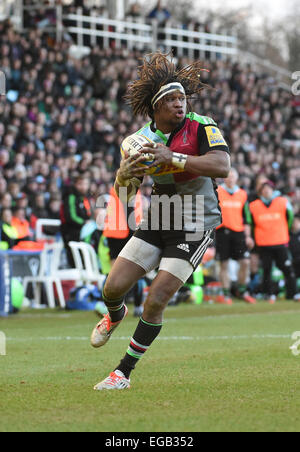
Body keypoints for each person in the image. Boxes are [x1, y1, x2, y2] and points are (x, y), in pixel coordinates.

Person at [90, 52, 230, 390]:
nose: (179, 104)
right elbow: (123, 199)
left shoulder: (201, 125)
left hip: (196, 222)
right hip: (160, 217)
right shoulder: (138, 142)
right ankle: (115, 314)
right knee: (112, 287)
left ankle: (122, 372)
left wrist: (176, 157)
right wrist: (122, 175)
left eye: (181, 97)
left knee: (156, 297)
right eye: (170, 99)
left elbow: (222, 167)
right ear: (155, 108)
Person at [249, 181, 299, 303]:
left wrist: (283, 230)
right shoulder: (254, 205)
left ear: (273, 190)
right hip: (264, 243)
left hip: (280, 241)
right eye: (264, 189)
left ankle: (293, 293)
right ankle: (269, 294)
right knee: (266, 270)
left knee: (287, 268)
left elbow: (290, 217)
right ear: (261, 192)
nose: (266, 191)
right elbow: (251, 224)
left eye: (268, 189)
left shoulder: (282, 202)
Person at [216, 168, 256, 305]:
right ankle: (226, 294)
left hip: (238, 232)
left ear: (237, 178)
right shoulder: (218, 191)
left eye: (233, 176)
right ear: (224, 177)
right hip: (222, 231)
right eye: (228, 176)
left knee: (245, 262)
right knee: (224, 263)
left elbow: (247, 218)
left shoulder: (242, 194)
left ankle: (242, 291)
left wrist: (248, 236)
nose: (231, 178)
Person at [60, 175, 92, 267]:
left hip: (81, 231)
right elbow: (71, 216)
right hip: (71, 232)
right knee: (75, 258)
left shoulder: (83, 197)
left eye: (85, 184)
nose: (83, 186)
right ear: (75, 184)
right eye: (80, 184)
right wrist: (83, 222)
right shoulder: (71, 196)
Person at [290, 216, 300, 280]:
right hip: (292, 262)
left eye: (297, 222)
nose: (295, 224)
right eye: (294, 222)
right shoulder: (288, 236)